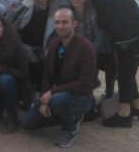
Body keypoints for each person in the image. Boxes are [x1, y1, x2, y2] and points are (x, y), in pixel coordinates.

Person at [22, 8, 98, 148]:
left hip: (81, 97)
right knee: (28, 124)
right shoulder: (53, 45)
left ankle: (70, 127)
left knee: (59, 100)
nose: (60, 26)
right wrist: (44, 101)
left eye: (65, 22)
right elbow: (47, 76)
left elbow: (85, 84)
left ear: (74, 24)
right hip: (58, 96)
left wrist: (52, 93)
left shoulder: (86, 47)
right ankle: (66, 115)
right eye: (57, 22)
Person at [90, 0, 139, 128]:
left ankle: (124, 114)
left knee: (124, 75)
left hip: (127, 46)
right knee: (128, 75)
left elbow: (107, 25)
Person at [10, 0, 60, 91]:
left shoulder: (55, 10)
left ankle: (40, 92)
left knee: (46, 65)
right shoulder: (25, 5)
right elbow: (13, 25)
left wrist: (50, 49)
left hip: (42, 48)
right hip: (23, 45)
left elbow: (56, 34)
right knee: (34, 64)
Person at [69, 0, 112, 98]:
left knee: (85, 76)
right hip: (73, 49)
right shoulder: (68, 12)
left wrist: (88, 53)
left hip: (90, 49)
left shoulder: (91, 13)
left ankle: (89, 98)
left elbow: (98, 37)